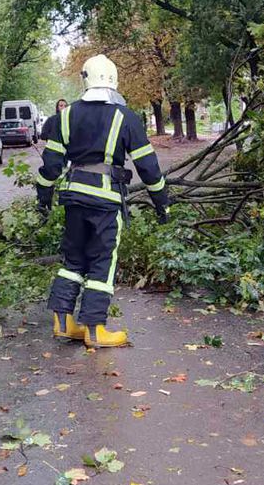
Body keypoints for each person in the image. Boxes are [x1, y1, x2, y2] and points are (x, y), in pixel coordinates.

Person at [36, 55, 168, 347]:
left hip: (73, 198)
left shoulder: (65, 116)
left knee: (73, 259)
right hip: (106, 202)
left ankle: (63, 322)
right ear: (114, 80)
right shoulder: (126, 117)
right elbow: (148, 168)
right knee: (102, 262)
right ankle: (95, 330)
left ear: (85, 79)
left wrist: (43, 200)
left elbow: (51, 167)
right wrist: (162, 203)